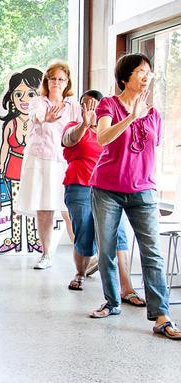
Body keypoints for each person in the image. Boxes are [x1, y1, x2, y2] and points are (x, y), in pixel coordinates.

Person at [88, 53, 181, 339]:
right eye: (141, 71)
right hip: (107, 188)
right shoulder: (108, 105)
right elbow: (103, 139)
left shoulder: (154, 114)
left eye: (149, 72)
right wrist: (130, 117)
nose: (146, 76)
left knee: (151, 251)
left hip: (143, 190)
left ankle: (161, 316)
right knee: (107, 249)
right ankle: (113, 301)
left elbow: (152, 150)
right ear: (125, 77)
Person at [62, 90, 144, 305]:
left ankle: (127, 288)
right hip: (80, 186)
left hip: (110, 188)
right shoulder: (72, 127)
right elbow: (69, 140)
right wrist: (84, 125)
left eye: (93, 105)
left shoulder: (111, 130)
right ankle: (80, 273)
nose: (88, 108)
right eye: (84, 104)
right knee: (85, 234)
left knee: (120, 235)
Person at [15, 61, 82, 270]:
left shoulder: (73, 106)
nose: (57, 82)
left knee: (69, 208)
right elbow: (35, 117)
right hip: (41, 159)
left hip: (64, 160)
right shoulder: (38, 102)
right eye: (53, 78)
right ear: (47, 81)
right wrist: (47, 118)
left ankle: (83, 255)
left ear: (67, 82)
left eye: (61, 79)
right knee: (45, 209)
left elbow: (82, 129)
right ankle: (46, 254)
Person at [0, 68, 43, 253]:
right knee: (16, 207)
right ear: (11, 98)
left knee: (32, 205)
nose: (24, 99)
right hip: (14, 168)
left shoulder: (40, 121)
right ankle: (15, 239)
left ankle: (33, 239)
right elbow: (5, 146)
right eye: (18, 94)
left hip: (33, 169)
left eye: (30, 94)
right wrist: (0, 164)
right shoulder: (10, 124)